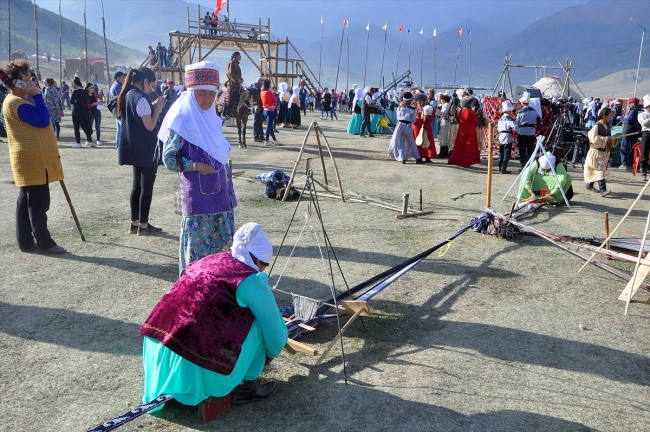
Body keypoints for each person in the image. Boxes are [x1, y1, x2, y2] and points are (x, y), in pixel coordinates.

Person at [140, 222, 288, 410]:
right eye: (264, 265)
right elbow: (277, 336)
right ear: (256, 260)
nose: (263, 270)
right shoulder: (251, 279)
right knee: (258, 324)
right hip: (197, 364)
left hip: (159, 353)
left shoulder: (206, 261)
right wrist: (271, 355)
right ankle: (246, 385)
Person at [160, 61, 237, 273]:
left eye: (212, 94)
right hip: (198, 198)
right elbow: (168, 158)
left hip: (222, 195)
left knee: (223, 250)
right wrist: (195, 165)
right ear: (191, 92)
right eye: (202, 93)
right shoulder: (182, 119)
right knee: (198, 252)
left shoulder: (212, 118)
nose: (208, 99)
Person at [0, 61, 66, 254]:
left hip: (31, 159)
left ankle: (26, 242)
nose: (32, 83)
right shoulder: (16, 102)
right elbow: (43, 120)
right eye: (27, 79)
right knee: (38, 203)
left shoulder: (17, 100)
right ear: (16, 82)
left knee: (26, 201)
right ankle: (46, 242)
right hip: (32, 160)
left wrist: (33, 96)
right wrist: (38, 97)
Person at [117, 67, 167, 235]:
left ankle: (135, 223)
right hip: (146, 149)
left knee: (136, 186)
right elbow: (150, 126)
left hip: (134, 147)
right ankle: (144, 226)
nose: (152, 89)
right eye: (151, 85)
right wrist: (158, 109)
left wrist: (152, 107)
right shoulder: (141, 98)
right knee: (147, 188)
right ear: (145, 82)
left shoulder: (129, 94)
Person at [585, 107, 621, 196]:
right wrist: (607, 139)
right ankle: (603, 190)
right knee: (600, 169)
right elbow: (593, 138)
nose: (611, 117)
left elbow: (610, 141)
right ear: (604, 116)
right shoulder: (597, 125)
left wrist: (615, 139)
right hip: (596, 152)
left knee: (597, 169)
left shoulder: (608, 126)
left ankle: (589, 185)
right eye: (610, 115)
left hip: (604, 152)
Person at [388, 92, 424, 164]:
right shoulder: (413, 109)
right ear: (411, 100)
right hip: (407, 126)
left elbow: (398, 117)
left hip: (399, 125)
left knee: (401, 142)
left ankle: (403, 158)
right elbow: (413, 120)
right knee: (412, 143)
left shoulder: (399, 107)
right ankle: (418, 158)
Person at [448, 96, 481, 168]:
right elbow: (476, 122)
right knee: (468, 147)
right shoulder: (471, 112)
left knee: (460, 145)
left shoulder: (459, 111)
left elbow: (457, 120)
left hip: (461, 130)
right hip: (470, 131)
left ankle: (456, 160)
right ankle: (466, 161)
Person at [515, 91, 541, 170]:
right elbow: (539, 120)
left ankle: (523, 166)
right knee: (531, 149)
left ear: (522, 102)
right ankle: (531, 166)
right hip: (531, 132)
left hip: (522, 132)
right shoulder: (534, 111)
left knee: (522, 150)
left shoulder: (520, 112)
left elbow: (517, 123)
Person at [619, 97, 643, 170]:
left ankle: (624, 164)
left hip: (628, 132)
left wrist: (621, 118)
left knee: (624, 148)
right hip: (636, 132)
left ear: (633, 103)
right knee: (634, 149)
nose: (629, 104)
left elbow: (628, 120)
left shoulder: (633, 111)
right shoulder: (640, 111)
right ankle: (634, 164)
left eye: (630, 103)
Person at [70, 77, 94, 148]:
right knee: (86, 124)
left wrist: (76, 102)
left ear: (74, 84)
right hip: (85, 110)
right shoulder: (85, 92)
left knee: (76, 127)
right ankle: (89, 140)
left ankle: (78, 142)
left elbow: (71, 101)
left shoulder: (75, 92)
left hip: (76, 111)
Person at [413, 93, 436, 163]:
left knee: (428, 140)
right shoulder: (414, 108)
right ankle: (418, 157)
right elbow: (412, 118)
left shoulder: (428, 108)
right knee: (418, 141)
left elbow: (432, 117)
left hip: (426, 126)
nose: (419, 102)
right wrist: (420, 118)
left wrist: (427, 118)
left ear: (423, 101)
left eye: (420, 100)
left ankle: (428, 157)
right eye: (417, 100)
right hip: (417, 126)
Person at [497, 100, 517, 174]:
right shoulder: (510, 120)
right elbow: (516, 128)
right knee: (507, 153)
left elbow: (498, 128)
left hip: (501, 136)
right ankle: (504, 169)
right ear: (509, 111)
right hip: (508, 137)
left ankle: (499, 168)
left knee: (501, 152)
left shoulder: (500, 119)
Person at [110, 71, 126, 149]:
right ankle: (120, 148)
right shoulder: (118, 86)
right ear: (118, 78)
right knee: (121, 131)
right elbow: (121, 98)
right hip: (119, 109)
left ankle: (118, 147)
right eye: (122, 77)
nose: (124, 79)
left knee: (119, 130)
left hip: (116, 110)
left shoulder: (115, 85)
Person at [224, 52, 243, 118]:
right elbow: (230, 73)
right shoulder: (232, 62)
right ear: (235, 56)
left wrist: (241, 79)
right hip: (232, 84)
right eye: (239, 55)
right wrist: (237, 80)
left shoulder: (237, 64)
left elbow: (236, 74)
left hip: (238, 85)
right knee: (229, 98)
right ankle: (224, 113)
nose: (240, 56)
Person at [261, 79, 279, 146]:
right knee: (269, 126)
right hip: (270, 110)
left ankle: (275, 140)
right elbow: (275, 100)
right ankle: (266, 140)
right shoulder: (268, 92)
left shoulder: (262, 92)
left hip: (265, 110)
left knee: (270, 126)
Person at [639, 95, 650, 181]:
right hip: (646, 133)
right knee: (644, 153)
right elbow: (644, 123)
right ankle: (643, 172)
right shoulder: (641, 114)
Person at [250, 77, 264, 142]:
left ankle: (260, 135)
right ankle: (256, 136)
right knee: (256, 122)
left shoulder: (256, 88)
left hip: (258, 106)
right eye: (262, 83)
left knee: (259, 121)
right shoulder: (256, 89)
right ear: (259, 83)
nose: (262, 84)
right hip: (257, 107)